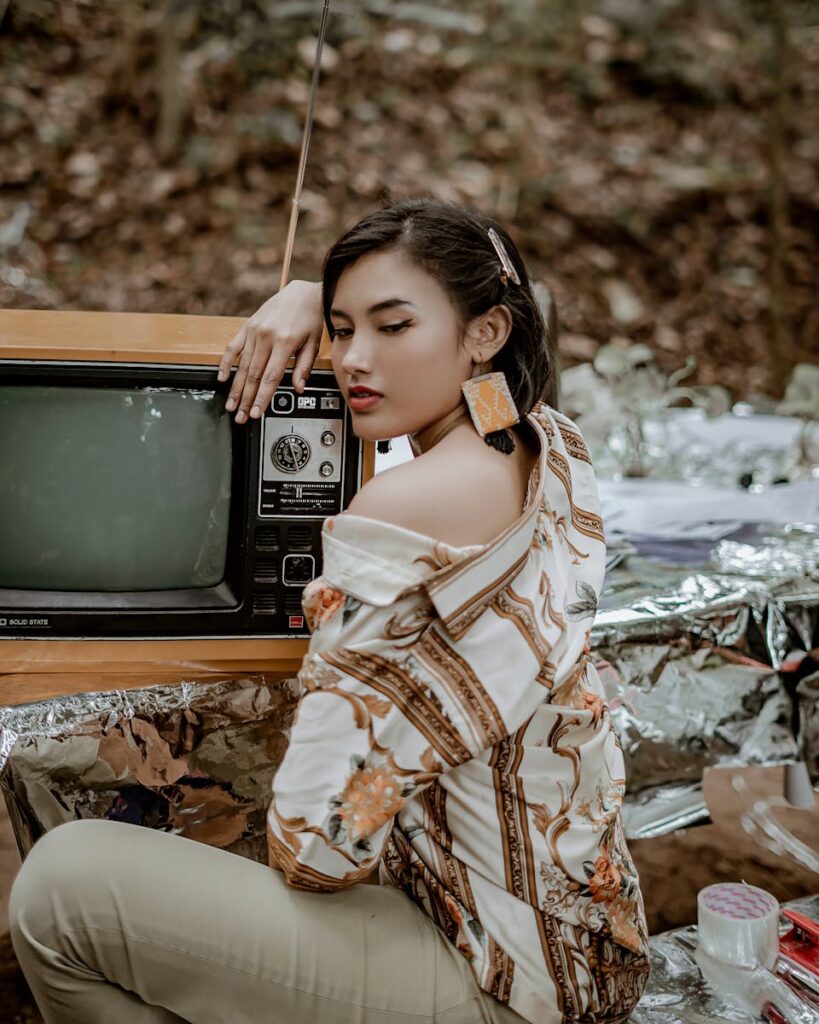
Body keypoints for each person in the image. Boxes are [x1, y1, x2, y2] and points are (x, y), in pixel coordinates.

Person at [9, 198, 650, 1024]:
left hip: (499, 985)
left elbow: (316, 852)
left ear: (486, 332)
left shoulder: (400, 509)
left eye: (392, 327)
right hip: (584, 952)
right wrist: (324, 297)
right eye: (343, 331)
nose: (353, 360)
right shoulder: (544, 443)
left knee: (62, 886)